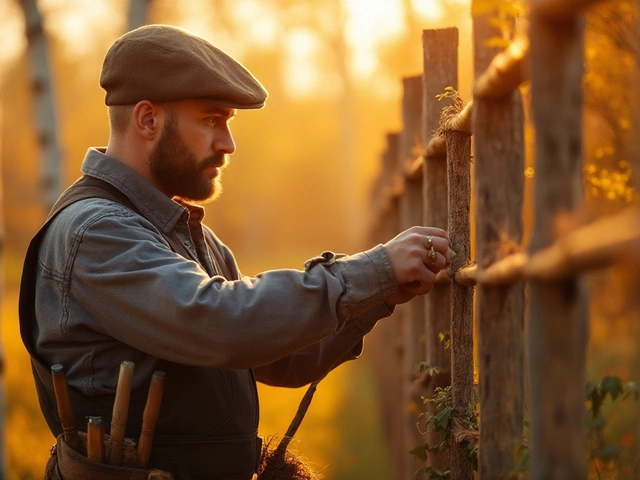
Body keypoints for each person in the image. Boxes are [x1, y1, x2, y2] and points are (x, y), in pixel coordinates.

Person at [19, 24, 451, 480]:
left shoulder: (184, 232)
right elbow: (221, 323)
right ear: (147, 120)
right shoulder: (96, 232)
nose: (228, 143)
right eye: (211, 120)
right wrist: (372, 269)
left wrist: (379, 293)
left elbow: (277, 357)